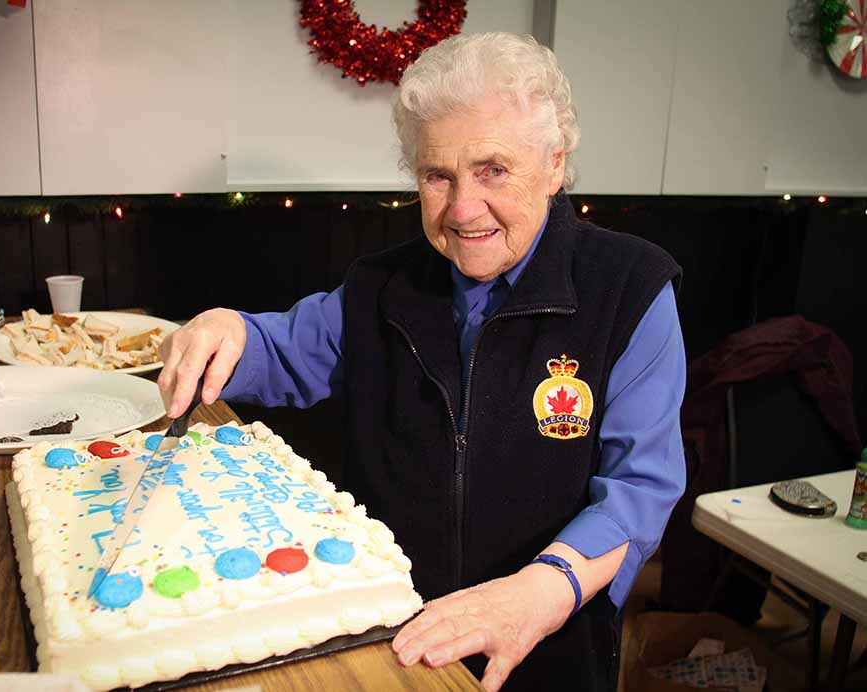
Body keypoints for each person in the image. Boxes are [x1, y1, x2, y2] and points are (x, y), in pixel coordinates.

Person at [158, 32, 686, 692]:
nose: (463, 209)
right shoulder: (381, 286)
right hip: (392, 637)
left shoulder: (630, 287)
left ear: (555, 164)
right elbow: (285, 352)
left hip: (546, 642)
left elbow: (641, 488)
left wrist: (539, 592)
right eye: (438, 176)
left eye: (493, 169)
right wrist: (227, 329)